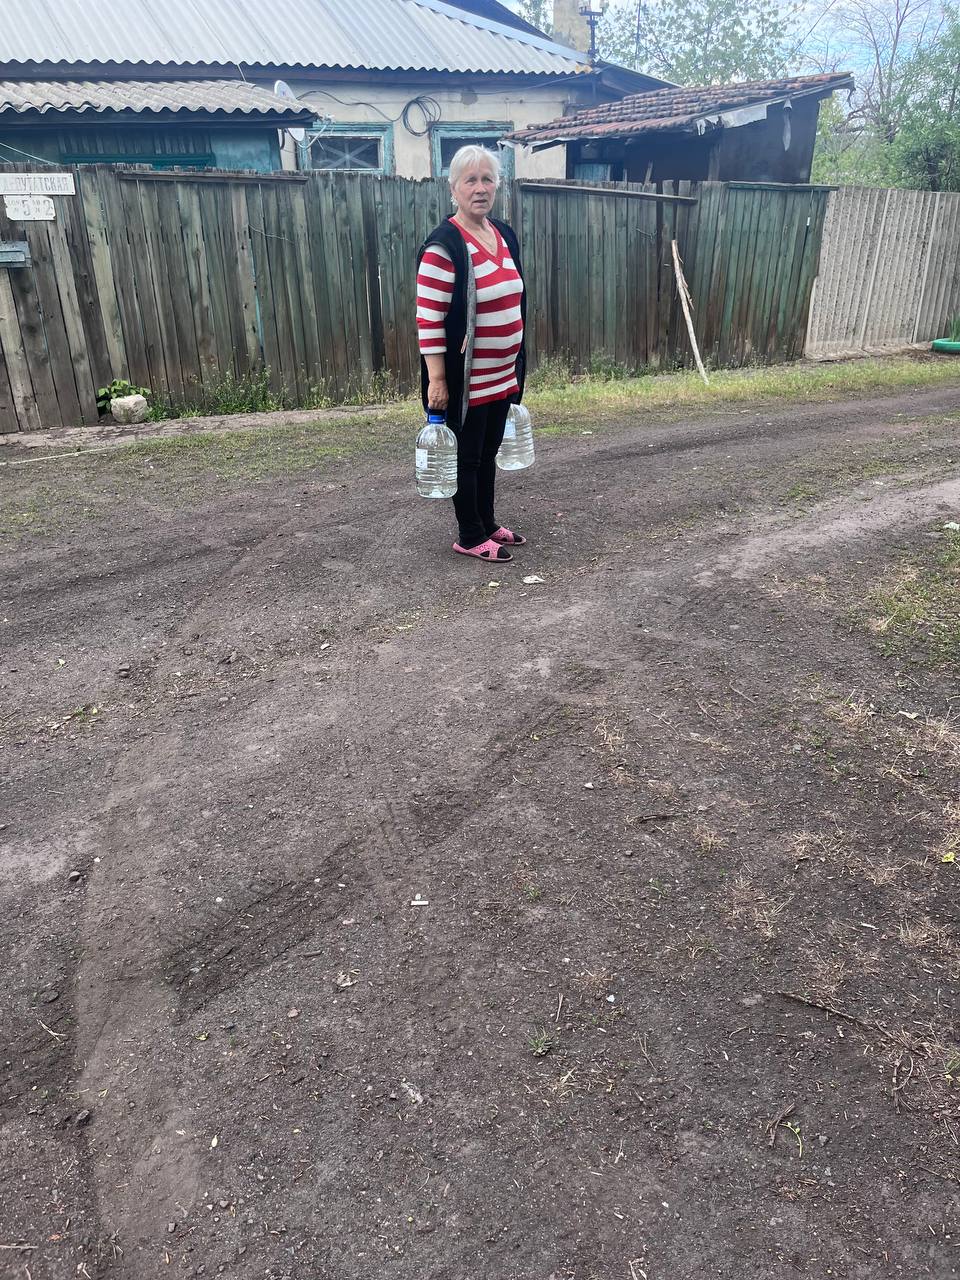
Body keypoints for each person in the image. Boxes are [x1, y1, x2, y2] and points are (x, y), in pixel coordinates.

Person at [416, 145, 527, 563]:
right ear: (454, 189)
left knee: (488, 451)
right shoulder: (444, 245)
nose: (480, 188)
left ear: (497, 185)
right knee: (467, 456)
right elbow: (429, 320)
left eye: (487, 179)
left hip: (502, 374)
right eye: (471, 181)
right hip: (467, 379)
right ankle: (470, 534)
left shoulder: (503, 234)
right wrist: (438, 381)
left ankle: (488, 522)